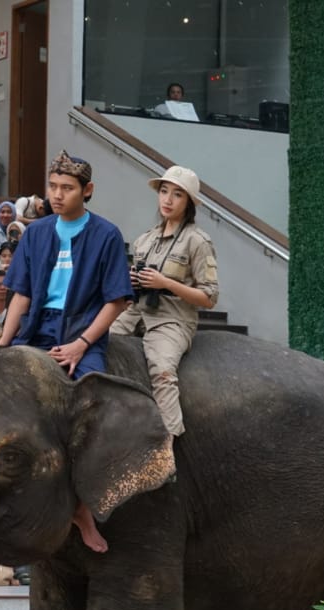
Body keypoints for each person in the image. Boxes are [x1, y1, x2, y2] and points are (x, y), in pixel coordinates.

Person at [0, 153, 132, 379]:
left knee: (90, 387)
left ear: (87, 190)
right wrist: (3, 343)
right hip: (36, 327)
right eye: (52, 186)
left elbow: (116, 302)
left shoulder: (107, 235)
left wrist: (81, 344)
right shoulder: (35, 232)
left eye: (67, 188)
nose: (57, 195)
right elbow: (22, 295)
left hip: (82, 330)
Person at [112, 165, 220, 438]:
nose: (168, 200)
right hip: (137, 311)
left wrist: (166, 283)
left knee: (162, 372)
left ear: (189, 203)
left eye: (177, 194)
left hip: (173, 319)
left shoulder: (198, 241)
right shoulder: (144, 240)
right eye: (164, 191)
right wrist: (132, 281)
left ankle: (168, 445)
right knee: (96, 342)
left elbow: (210, 298)